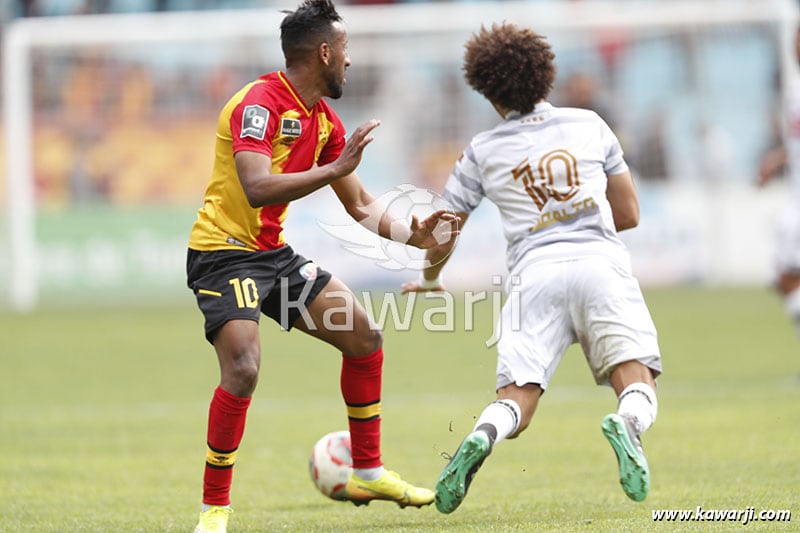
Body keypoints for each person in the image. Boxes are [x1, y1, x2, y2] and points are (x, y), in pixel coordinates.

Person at [186, 1, 457, 531]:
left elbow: (359, 204)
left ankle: (370, 469)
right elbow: (256, 186)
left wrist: (413, 236)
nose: (351, 62)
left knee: (364, 336)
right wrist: (334, 167)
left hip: (272, 257)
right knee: (243, 369)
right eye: (347, 50)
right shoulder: (259, 105)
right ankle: (214, 509)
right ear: (325, 52)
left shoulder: (323, 120)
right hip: (223, 256)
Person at [401, 23, 662, 513]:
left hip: (533, 274)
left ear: (486, 90)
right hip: (599, 264)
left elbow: (444, 229)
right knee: (636, 377)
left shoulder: (482, 150)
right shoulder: (590, 125)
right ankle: (627, 425)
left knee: (517, 396)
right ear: (546, 75)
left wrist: (432, 279)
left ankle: (482, 434)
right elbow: (628, 214)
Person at [758, 25, 800, 345]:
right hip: (794, 196)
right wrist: (778, 159)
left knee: (785, 274)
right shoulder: (793, 90)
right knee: (782, 276)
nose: (795, 44)